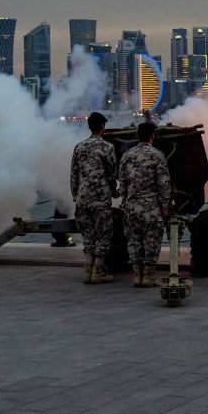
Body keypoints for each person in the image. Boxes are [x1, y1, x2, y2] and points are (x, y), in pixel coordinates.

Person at [118, 122, 171, 287]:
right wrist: (165, 206)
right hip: (151, 209)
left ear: (137, 135)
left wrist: (126, 200)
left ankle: (136, 276)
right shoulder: (157, 155)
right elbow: (163, 184)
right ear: (152, 136)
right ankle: (148, 277)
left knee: (134, 241)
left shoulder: (127, 155)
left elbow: (122, 182)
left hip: (131, 208)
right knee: (151, 241)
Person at [70, 111, 118, 284]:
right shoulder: (108, 147)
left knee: (88, 237)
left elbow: (74, 174)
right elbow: (112, 174)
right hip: (100, 200)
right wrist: (114, 191)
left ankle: (88, 271)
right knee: (103, 235)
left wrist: (75, 195)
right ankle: (98, 272)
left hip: (82, 199)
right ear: (103, 127)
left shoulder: (79, 147)